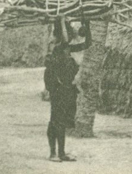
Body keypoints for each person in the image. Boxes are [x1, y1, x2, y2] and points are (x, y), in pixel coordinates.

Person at [44, 19, 90, 162]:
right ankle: (53, 153)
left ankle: (61, 153)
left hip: (67, 89)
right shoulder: (56, 49)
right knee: (56, 120)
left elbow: (88, 43)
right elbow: (64, 37)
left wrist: (86, 22)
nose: (70, 37)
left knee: (61, 121)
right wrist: (62, 20)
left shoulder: (67, 49)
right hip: (57, 89)